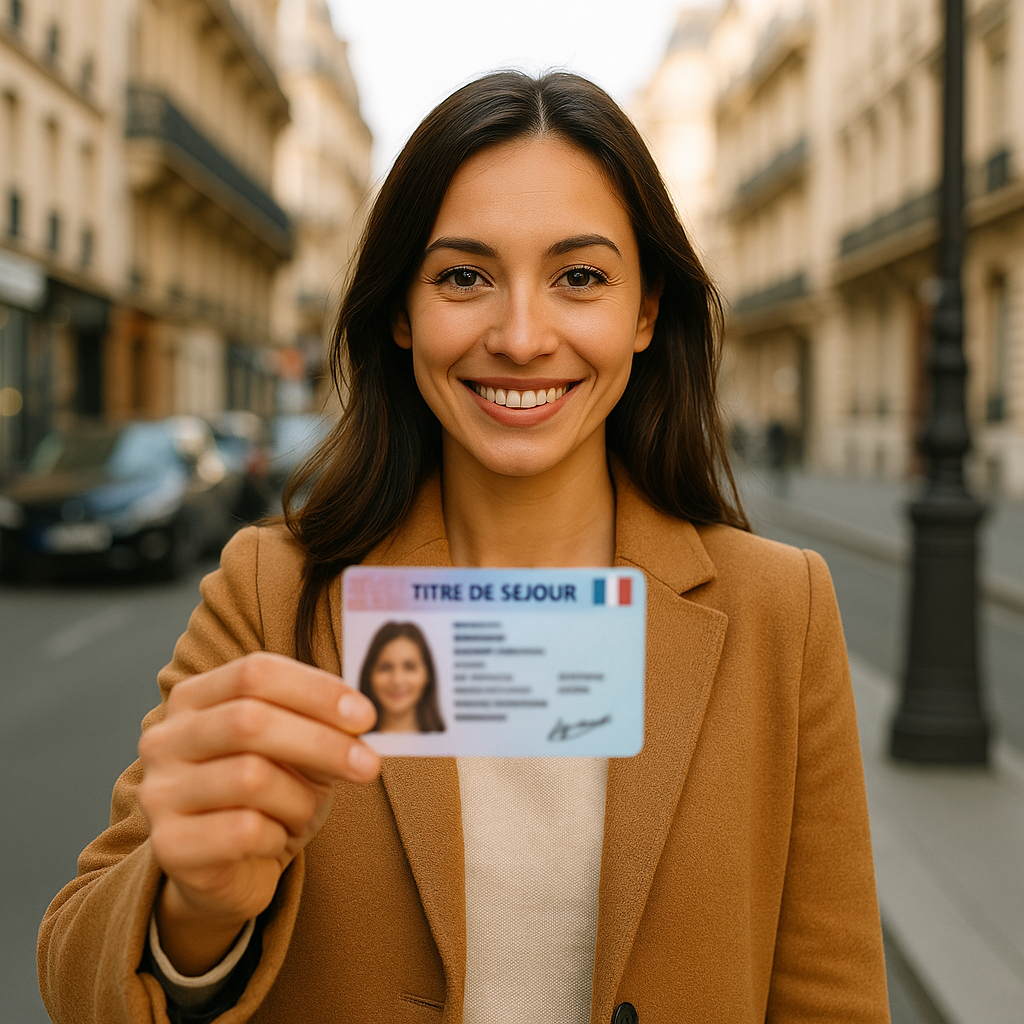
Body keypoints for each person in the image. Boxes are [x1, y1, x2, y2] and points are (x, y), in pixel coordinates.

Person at [38, 71, 890, 1024]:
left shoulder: (783, 608)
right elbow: (80, 979)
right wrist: (193, 913)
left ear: (646, 311)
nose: (521, 337)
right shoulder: (272, 592)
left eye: (580, 276)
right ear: (401, 312)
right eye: (463, 277)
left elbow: (833, 996)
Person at [359, 621, 445, 733]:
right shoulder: (350, 738)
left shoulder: (451, 746)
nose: (397, 680)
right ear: (369, 674)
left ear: (428, 675)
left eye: (409, 667)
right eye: (386, 667)